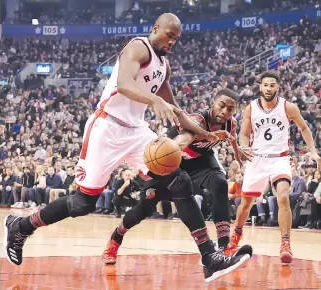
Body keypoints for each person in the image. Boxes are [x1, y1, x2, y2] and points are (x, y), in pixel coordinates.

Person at [4, 13, 250, 282]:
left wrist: (204, 133)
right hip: (106, 127)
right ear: (156, 28)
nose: (172, 42)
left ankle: (209, 257)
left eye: (176, 39)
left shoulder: (164, 67)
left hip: (135, 131)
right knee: (83, 203)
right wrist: (153, 101)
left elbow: (176, 111)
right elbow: (123, 84)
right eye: (169, 35)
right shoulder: (138, 47)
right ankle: (21, 226)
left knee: (180, 182)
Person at [102, 89, 253, 264]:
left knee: (220, 183)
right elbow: (184, 140)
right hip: (173, 160)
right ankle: (116, 237)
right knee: (145, 207)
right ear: (213, 103)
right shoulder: (197, 120)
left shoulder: (230, 123)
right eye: (222, 106)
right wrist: (174, 146)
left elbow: (231, 137)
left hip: (201, 160)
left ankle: (225, 247)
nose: (225, 112)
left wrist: (237, 152)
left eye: (230, 109)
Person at [227, 71, 321, 265]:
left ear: (278, 87)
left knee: (283, 196)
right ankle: (236, 235)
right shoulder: (251, 108)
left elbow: (304, 128)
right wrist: (243, 146)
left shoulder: (288, 107)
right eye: (265, 85)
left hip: (280, 158)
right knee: (245, 204)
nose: (268, 88)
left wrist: (313, 151)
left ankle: (285, 244)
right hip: (257, 159)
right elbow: (244, 134)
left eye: (272, 85)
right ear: (260, 86)